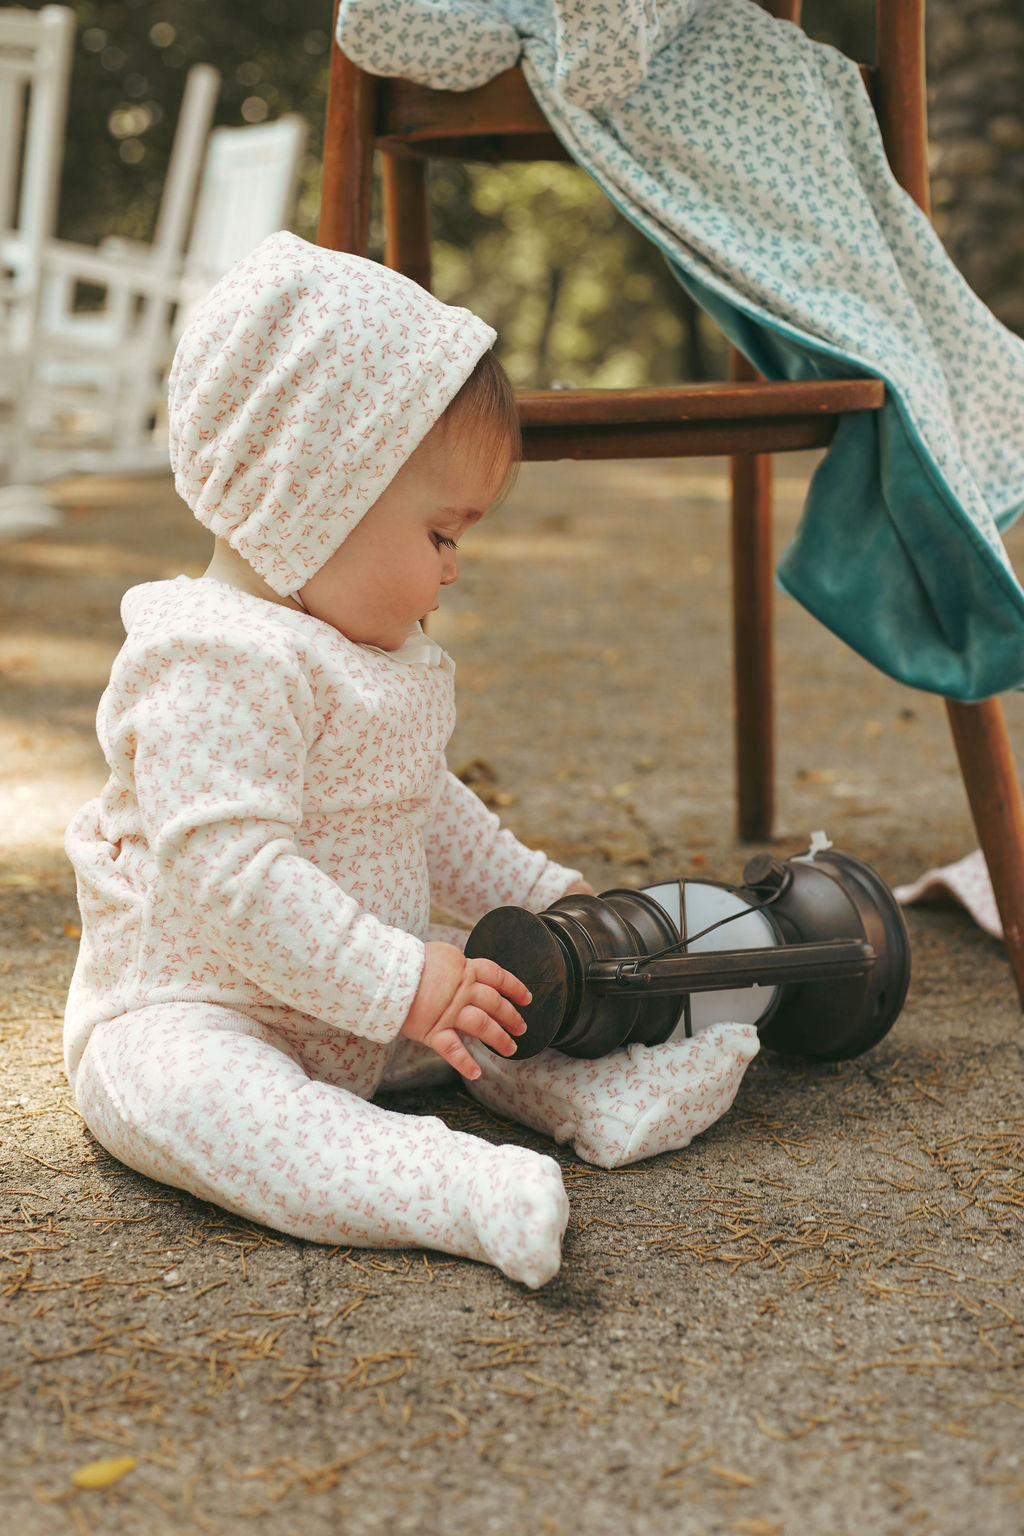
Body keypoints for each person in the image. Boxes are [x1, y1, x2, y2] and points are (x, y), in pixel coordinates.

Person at [64, 232, 756, 1290]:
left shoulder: (367, 651)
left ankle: (589, 1091)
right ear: (314, 494)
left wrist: (535, 894)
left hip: (371, 1009)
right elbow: (231, 879)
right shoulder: (209, 659)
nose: (454, 567)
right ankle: (439, 1186)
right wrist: (399, 980)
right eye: (440, 533)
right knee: (203, 1103)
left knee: (493, 995)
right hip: (200, 1007)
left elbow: (423, 806)